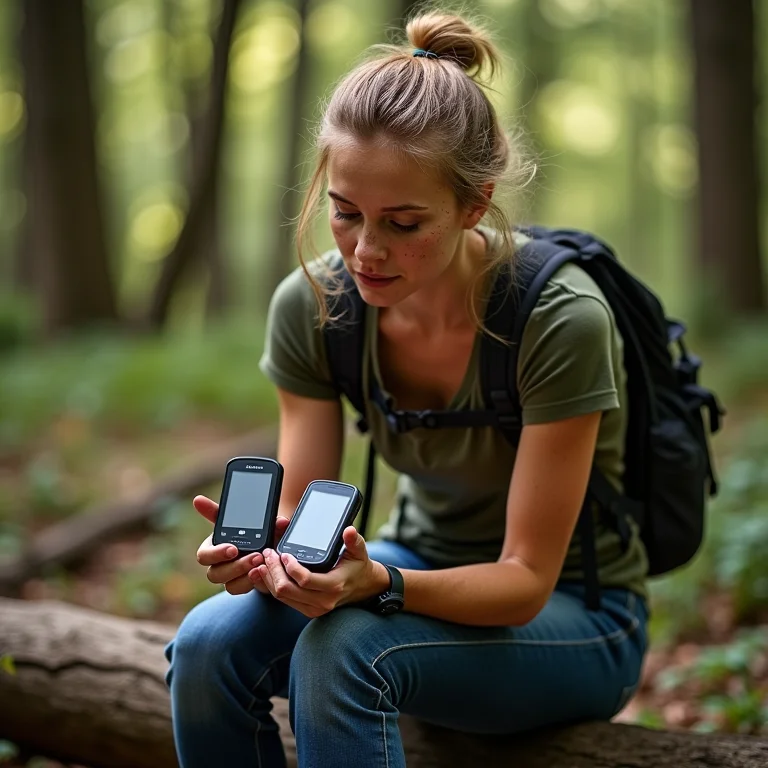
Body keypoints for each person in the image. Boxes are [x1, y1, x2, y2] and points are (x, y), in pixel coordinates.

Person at [164, 10, 649, 768]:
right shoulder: (314, 305)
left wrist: (381, 583)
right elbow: (298, 499)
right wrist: (262, 554)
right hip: (409, 561)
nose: (365, 249)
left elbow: (523, 581)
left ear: (474, 205)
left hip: (577, 615)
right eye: (346, 212)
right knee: (204, 644)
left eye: (403, 222)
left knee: (344, 651)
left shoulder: (559, 319)